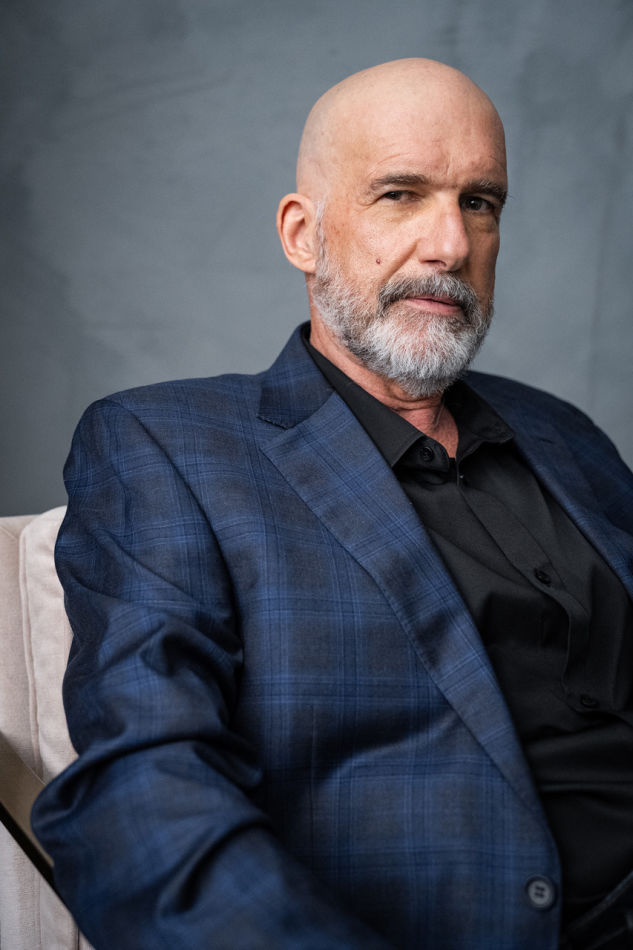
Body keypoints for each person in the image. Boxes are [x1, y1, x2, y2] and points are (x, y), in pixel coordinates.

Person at [32, 59, 633, 950]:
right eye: (400, 194)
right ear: (302, 234)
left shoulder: (562, 433)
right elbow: (140, 792)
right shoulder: (166, 445)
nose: (450, 245)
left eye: (479, 202)